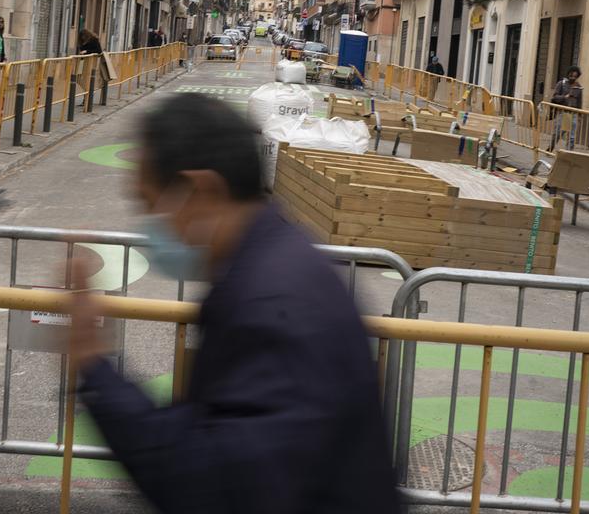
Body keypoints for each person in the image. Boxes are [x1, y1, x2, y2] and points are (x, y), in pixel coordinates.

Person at [67, 94, 400, 514]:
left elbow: (218, 487)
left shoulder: (275, 303)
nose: (148, 226)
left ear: (199, 189)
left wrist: (96, 371)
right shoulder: (270, 263)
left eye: (150, 205)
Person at [549, 66, 584, 151]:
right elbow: (554, 97)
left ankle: (568, 152)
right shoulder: (561, 83)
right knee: (558, 133)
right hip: (563, 112)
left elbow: (579, 101)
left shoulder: (578, 86)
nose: (573, 78)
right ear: (568, 74)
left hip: (573, 113)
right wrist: (565, 97)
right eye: (571, 76)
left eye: (575, 76)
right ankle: (551, 147)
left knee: (571, 136)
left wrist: (579, 114)